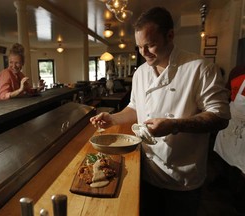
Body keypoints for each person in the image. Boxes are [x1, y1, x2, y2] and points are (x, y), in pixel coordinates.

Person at [90, 7, 230, 216]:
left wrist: (174, 125)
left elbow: (220, 117)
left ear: (170, 35)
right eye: (139, 47)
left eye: (150, 45)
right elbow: (135, 108)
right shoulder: (141, 73)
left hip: (183, 176)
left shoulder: (200, 68)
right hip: (147, 171)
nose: (143, 53)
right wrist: (112, 118)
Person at [213, 65, 245, 214]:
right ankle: (224, 181)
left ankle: (239, 197)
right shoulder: (238, 71)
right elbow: (227, 94)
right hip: (232, 120)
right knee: (225, 155)